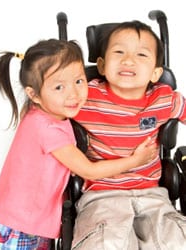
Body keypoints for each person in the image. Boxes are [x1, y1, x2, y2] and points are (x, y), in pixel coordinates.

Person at [0, 39, 156, 249]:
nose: (74, 94)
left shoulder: (38, 111)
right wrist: (135, 160)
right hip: (23, 223)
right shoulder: (48, 130)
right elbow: (89, 170)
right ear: (34, 94)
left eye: (79, 81)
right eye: (59, 86)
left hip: (18, 215)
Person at [72, 21, 186, 250]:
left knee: (175, 240)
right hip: (102, 194)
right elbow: (48, 111)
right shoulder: (84, 96)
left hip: (153, 194)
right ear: (102, 65)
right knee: (105, 243)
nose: (128, 60)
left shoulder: (163, 98)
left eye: (141, 54)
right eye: (119, 52)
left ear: (156, 72)